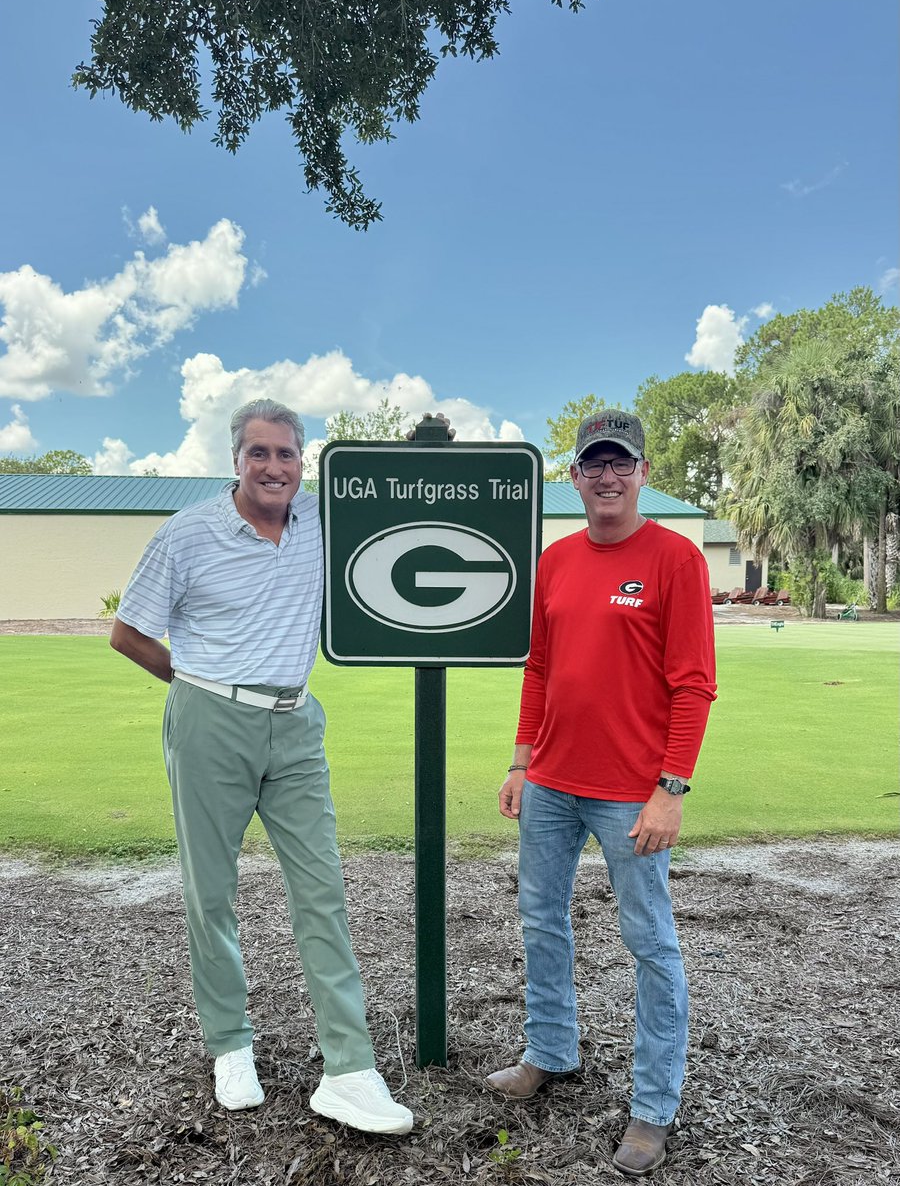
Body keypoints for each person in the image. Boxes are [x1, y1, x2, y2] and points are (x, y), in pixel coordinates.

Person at [110, 398, 412, 1135]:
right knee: (210, 892)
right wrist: (198, 682)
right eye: (258, 453)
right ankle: (230, 1045)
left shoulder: (318, 520)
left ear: (301, 460)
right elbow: (128, 633)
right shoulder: (187, 534)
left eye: (285, 453)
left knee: (322, 891)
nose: (273, 467)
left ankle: (348, 1068)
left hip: (296, 722)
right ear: (235, 459)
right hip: (210, 717)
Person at [485, 409, 716, 1177]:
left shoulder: (677, 559)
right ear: (576, 477)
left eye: (622, 464)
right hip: (550, 783)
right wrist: (522, 761)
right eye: (594, 465)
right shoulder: (556, 562)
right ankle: (550, 1052)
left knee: (649, 943)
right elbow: (539, 669)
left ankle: (653, 1108)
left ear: (644, 472)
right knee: (540, 921)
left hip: (631, 795)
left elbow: (692, 686)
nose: (608, 477)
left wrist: (670, 790)